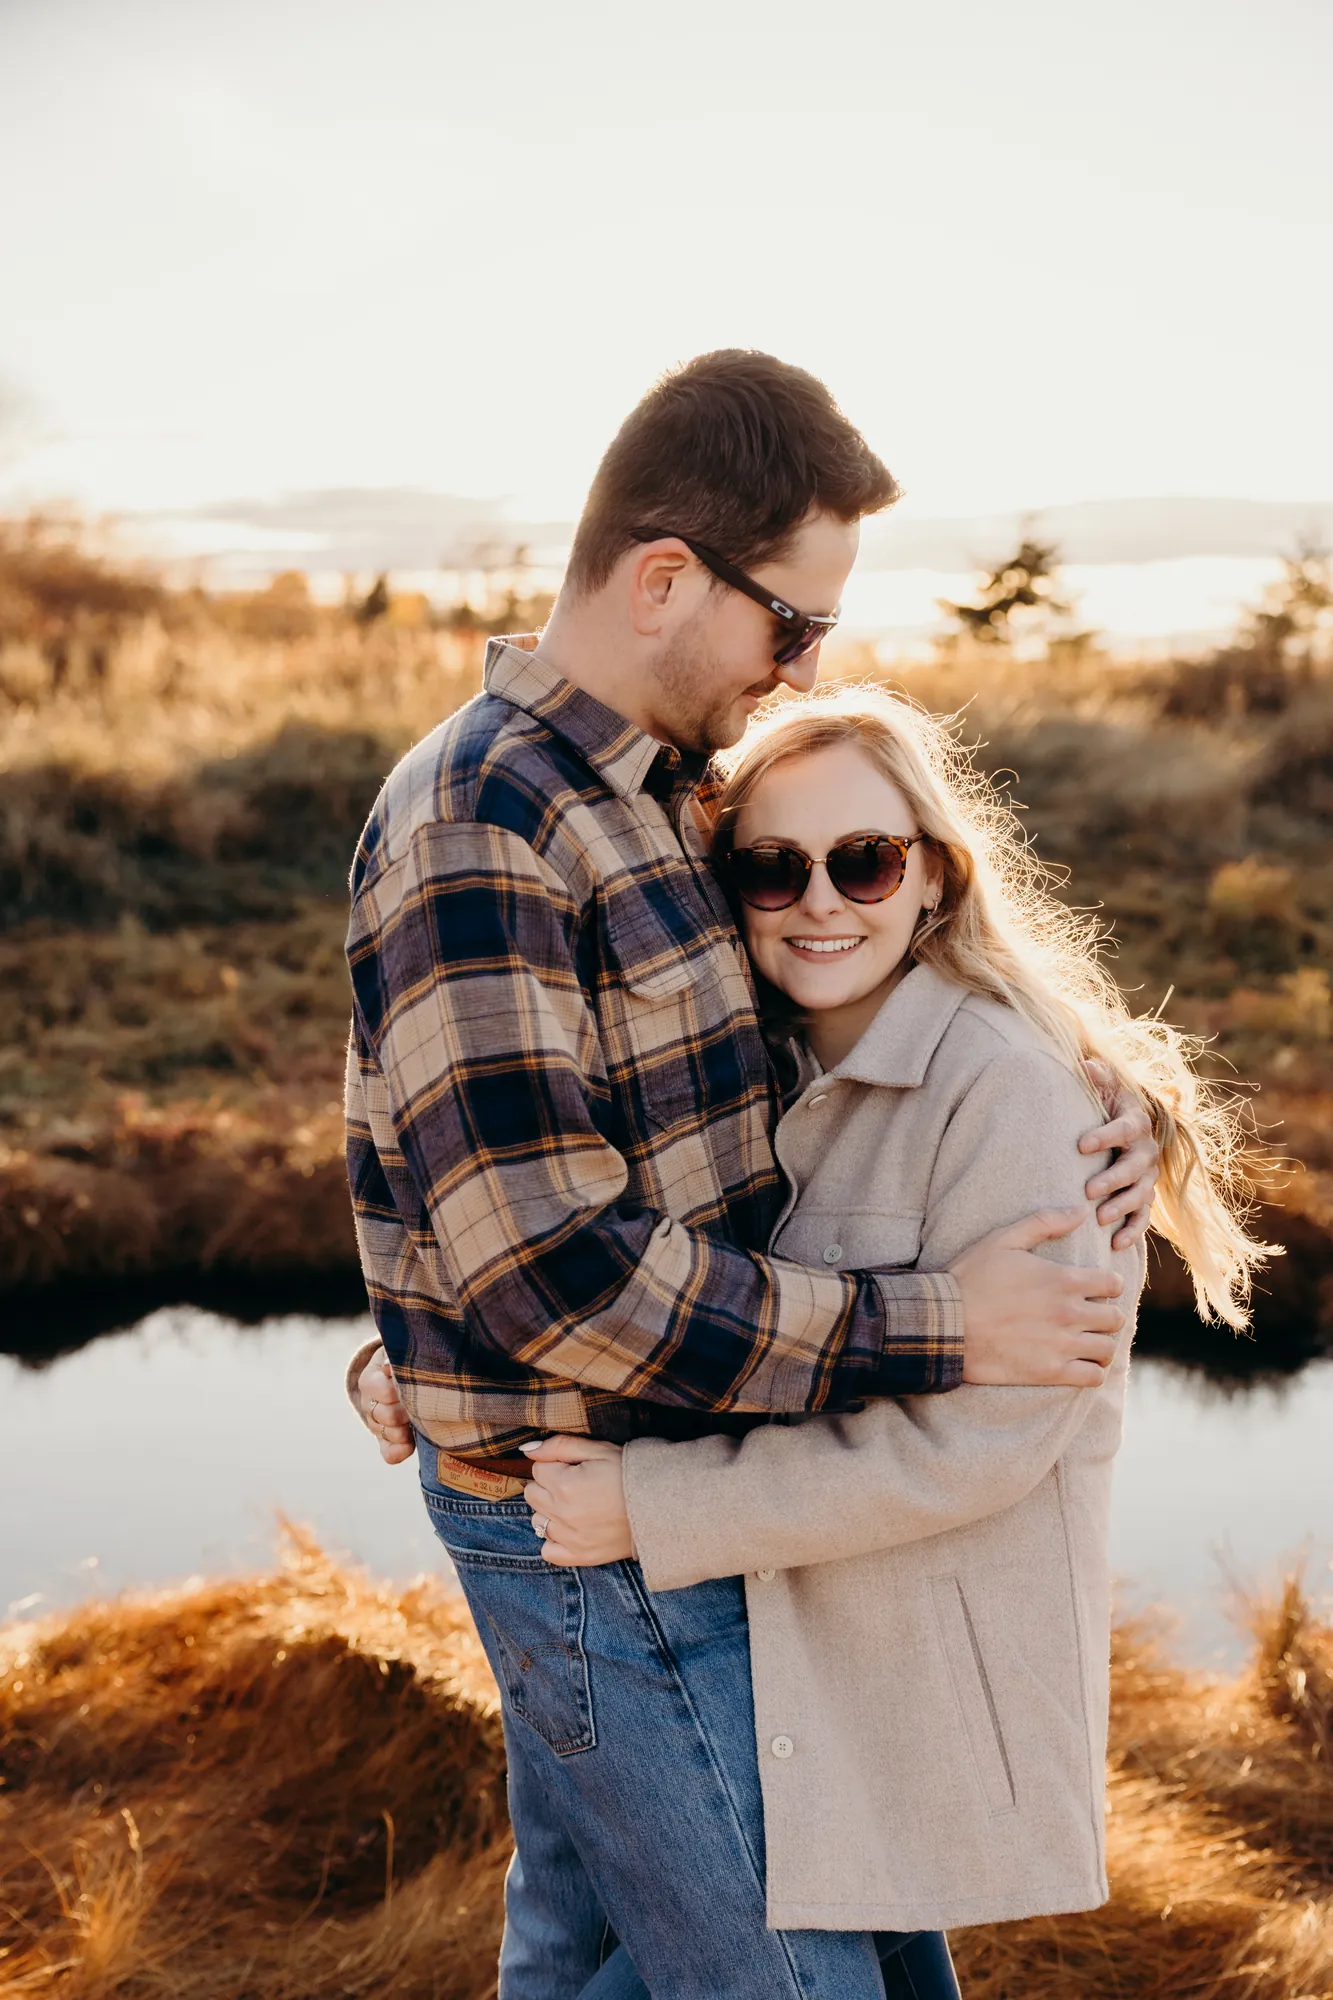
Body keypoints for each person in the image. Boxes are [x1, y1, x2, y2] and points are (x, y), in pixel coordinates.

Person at [343, 350, 1161, 1999]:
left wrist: (1121, 1106)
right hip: (592, 1523)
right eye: (794, 623)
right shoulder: (484, 821)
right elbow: (550, 1270)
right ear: (665, 580)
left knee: (580, 1971)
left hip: (703, 1513)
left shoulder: (659, 798)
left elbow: (800, 1039)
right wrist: (943, 1322)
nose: (806, 667)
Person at [507, 687, 1269, 1996]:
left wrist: (655, 1503)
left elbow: (980, 1445)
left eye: (864, 861)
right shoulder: (744, 1066)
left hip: (888, 1696)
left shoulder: (1014, 1092)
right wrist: (404, 1362)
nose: (820, 902)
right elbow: (586, 1253)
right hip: (779, 1668)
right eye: (770, 867)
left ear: (932, 879)